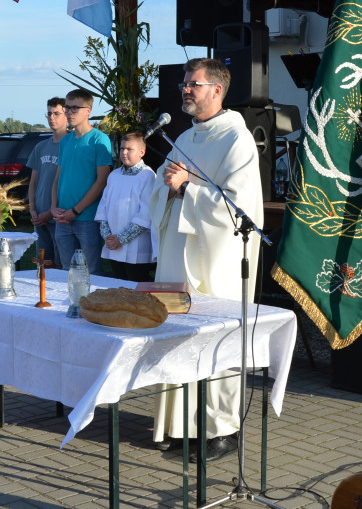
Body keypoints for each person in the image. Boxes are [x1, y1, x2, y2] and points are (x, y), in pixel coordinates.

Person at [147, 58, 263, 462]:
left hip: (217, 263)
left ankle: (221, 430)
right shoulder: (186, 137)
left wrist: (184, 189)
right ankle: (181, 427)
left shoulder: (236, 139)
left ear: (217, 90)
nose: (185, 90)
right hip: (180, 259)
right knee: (180, 338)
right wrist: (168, 187)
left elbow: (239, 211)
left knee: (216, 342)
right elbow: (160, 191)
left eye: (193, 84)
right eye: (184, 83)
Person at [51, 89, 112, 274]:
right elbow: (58, 178)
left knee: (91, 271)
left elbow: (102, 182)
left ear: (88, 110)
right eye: (67, 108)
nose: (69, 112)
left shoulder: (100, 140)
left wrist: (76, 210)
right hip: (62, 217)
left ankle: (92, 304)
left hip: (87, 218)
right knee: (67, 271)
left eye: (74, 108)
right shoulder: (65, 141)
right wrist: (53, 206)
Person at [94, 131, 155, 282]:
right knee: (118, 283)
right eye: (121, 149)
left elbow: (145, 214)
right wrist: (108, 236)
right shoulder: (114, 175)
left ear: (142, 152)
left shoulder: (147, 176)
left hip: (136, 246)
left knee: (136, 285)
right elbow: (103, 208)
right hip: (114, 245)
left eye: (129, 149)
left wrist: (121, 239)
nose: (124, 152)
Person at [26, 97, 67, 266]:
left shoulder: (69, 145)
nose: (52, 117)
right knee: (42, 263)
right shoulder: (41, 147)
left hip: (58, 216)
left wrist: (49, 213)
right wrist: (33, 209)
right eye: (49, 113)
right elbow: (33, 181)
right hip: (39, 217)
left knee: (59, 263)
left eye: (57, 113)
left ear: (67, 115)